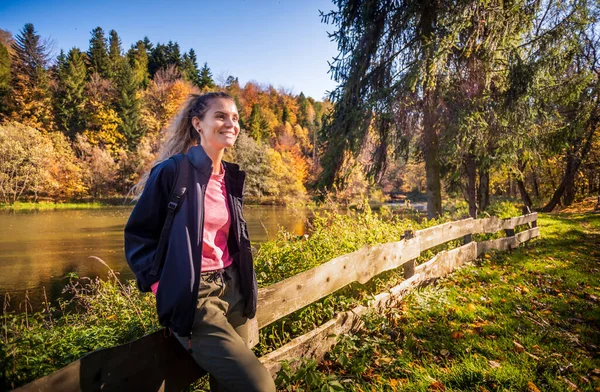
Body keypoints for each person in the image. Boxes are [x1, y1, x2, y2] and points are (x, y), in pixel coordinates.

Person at [124, 92, 276, 392]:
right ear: (198, 124)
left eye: (234, 117)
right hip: (196, 296)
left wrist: (245, 285)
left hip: (234, 289)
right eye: (220, 116)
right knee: (259, 385)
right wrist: (162, 286)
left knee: (227, 385)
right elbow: (138, 237)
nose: (230, 123)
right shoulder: (173, 172)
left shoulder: (230, 177)